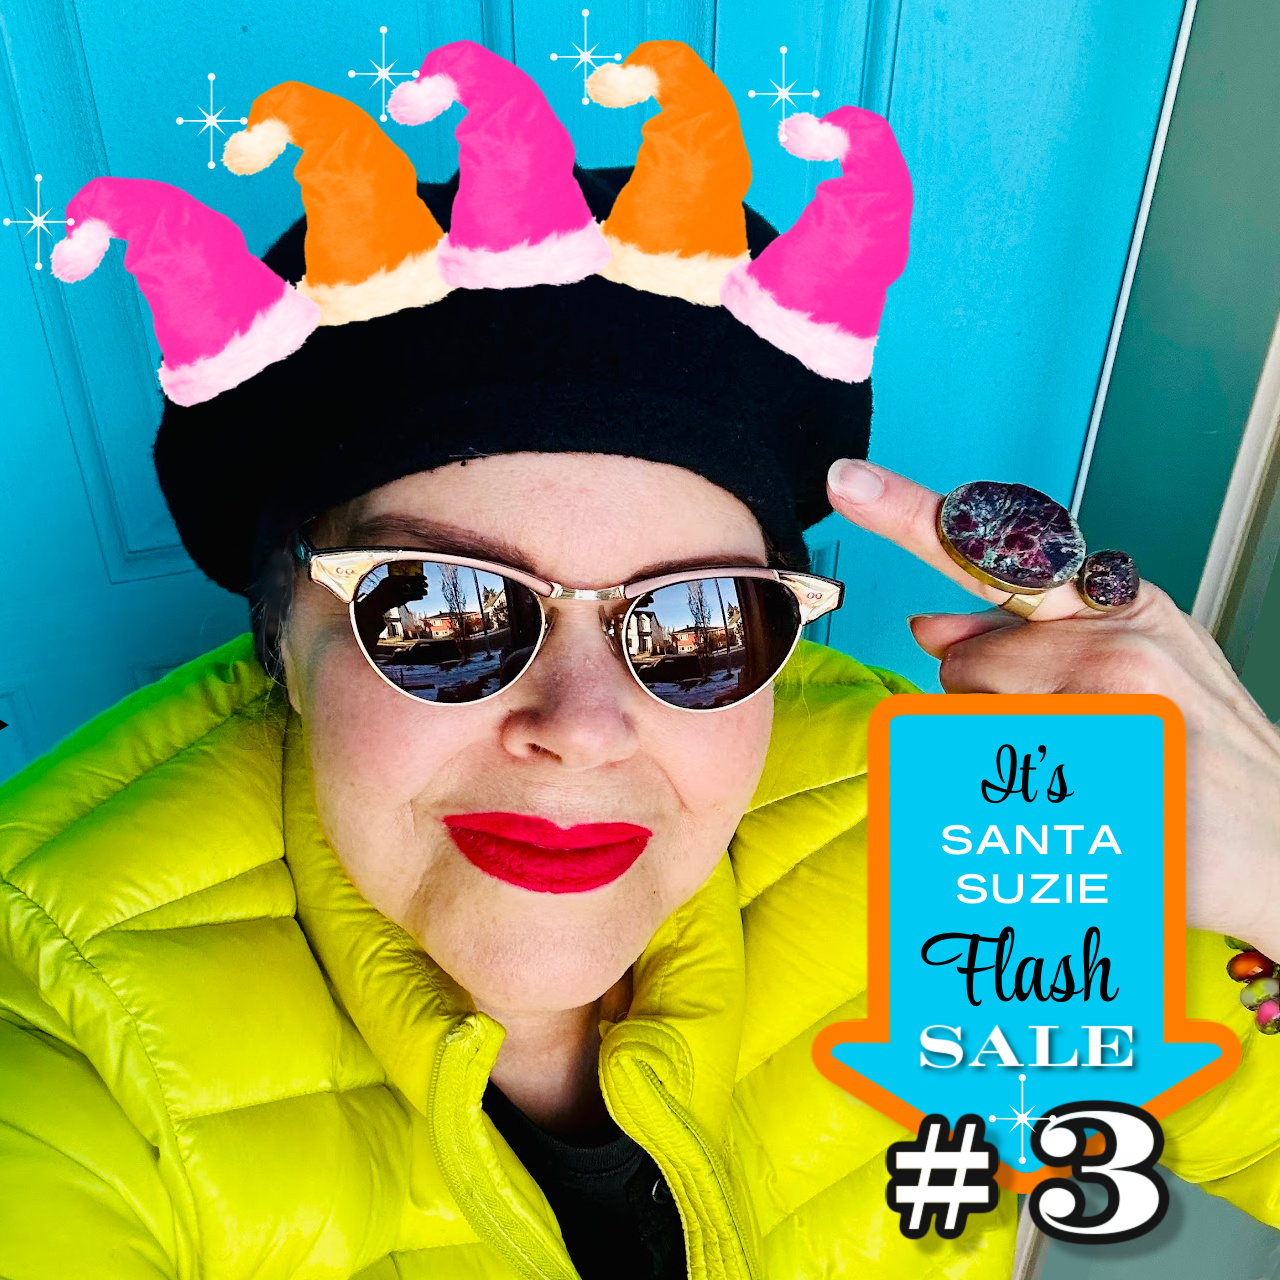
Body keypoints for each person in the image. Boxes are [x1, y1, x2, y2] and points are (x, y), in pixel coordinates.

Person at [3, 37, 1279, 1280]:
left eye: (699, 619)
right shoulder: (58, 1032)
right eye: (445, 608)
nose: (585, 725)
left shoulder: (951, 839)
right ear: (282, 631)